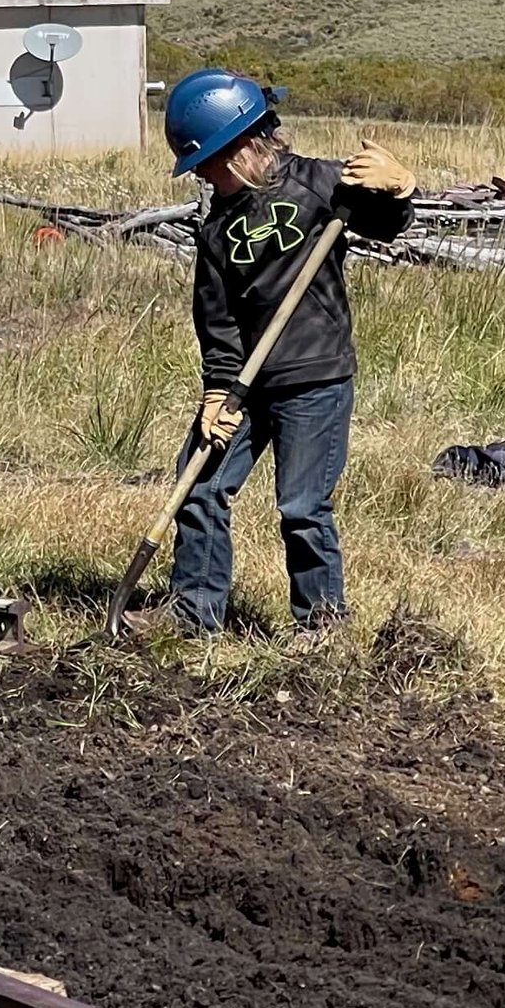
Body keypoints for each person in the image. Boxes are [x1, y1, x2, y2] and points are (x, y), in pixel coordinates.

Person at [159, 68, 417, 637]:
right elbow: (218, 321)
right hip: (246, 387)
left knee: (302, 506)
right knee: (200, 484)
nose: (201, 175)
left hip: (316, 378)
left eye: (207, 162)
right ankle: (193, 617)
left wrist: (401, 189)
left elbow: (385, 225)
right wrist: (216, 392)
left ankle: (322, 629)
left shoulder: (319, 184)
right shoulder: (216, 229)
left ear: (243, 146)